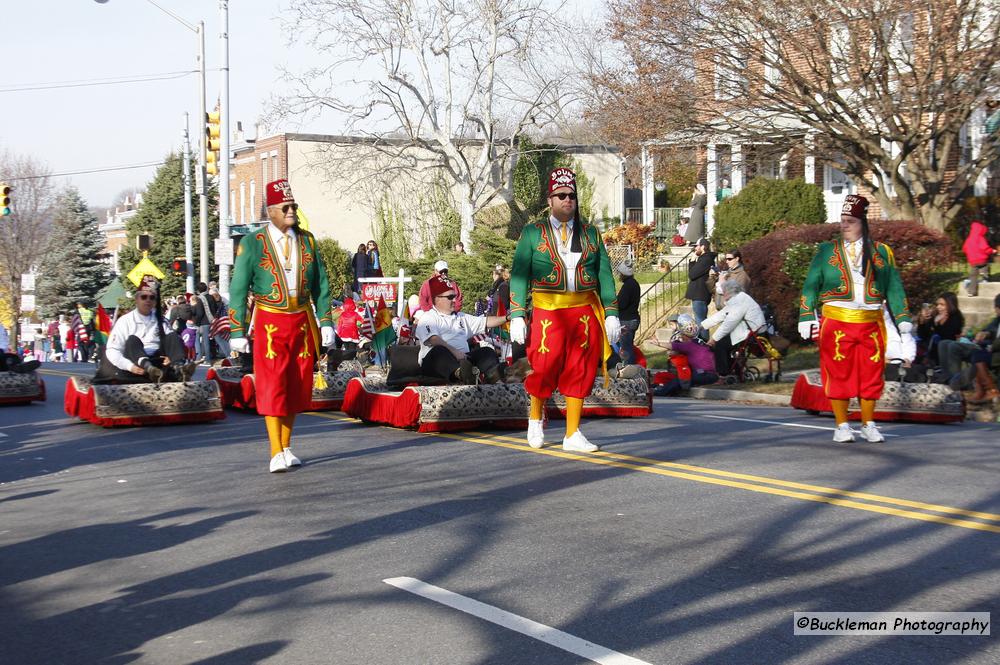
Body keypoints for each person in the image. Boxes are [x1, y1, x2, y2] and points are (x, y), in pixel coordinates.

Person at [510, 167, 621, 452]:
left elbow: (605, 274)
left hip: (584, 311)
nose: (567, 200)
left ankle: (572, 433)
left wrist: (611, 312)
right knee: (544, 367)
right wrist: (517, 315)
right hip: (549, 310)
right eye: (561, 195)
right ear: (550, 200)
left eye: (571, 195)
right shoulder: (533, 233)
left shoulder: (591, 234)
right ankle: (535, 418)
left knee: (580, 369)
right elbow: (519, 275)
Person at [229, 179, 335, 474]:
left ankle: (287, 447)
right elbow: (238, 288)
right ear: (272, 211)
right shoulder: (253, 243)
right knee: (273, 384)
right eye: (286, 208)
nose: (292, 212)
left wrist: (325, 320)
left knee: (296, 384)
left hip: (301, 320)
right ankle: (274, 450)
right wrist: (237, 330)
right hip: (269, 321)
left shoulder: (308, 241)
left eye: (294, 207)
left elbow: (321, 285)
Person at [799, 194, 912, 444]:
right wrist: (806, 315)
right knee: (838, 373)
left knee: (871, 373)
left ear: (863, 222)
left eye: (850, 221)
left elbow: (894, 286)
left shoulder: (882, 252)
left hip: (871, 321)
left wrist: (903, 317)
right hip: (836, 321)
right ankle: (841, 425)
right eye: (842, 220)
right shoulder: (826, 250)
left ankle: (868, 423)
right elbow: (810, 285)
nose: (844, 225)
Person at [95, 277, 193, 384]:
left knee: (173, 336)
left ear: (155, 301)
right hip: (135, 364)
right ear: (136, 299)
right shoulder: (125, 321)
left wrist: (171, 357)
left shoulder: (162, 321)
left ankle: (179, 368)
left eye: (152, 298)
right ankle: (149, 369)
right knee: (133, 340)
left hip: (158, 362)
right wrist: (130, 366)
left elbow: (172, 343)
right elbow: (112, 350)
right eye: (144, 297)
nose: (148, 300)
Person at [416, 276, 509, 384]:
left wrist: (506, 318)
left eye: (454, 296)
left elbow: (486, 322)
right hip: (436, 365)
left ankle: (493, 375)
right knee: (438, 350)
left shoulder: (461, 317)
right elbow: (433, 339)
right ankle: (461, 374)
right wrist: (455, 352)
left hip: (463, 359)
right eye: (450, 297)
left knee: (486, 351)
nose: (454, 300)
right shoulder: (428, 317)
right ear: (437, 299)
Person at [701, 280, 766, 376]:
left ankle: (723, 374)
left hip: (752, 334)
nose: (722, 295)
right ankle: (734, 370)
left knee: (719, 345)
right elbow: (721, 315)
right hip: (749, 331)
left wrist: (714, 339)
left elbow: (729, 323)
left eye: (723, 292)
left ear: (728, 292)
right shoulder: (737, 299)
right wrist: (702, 325)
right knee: (722, 343)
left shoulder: (739, 301)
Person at [656, 314, 717, 395]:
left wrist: (658, 343)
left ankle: (660, 392)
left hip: (705, 374)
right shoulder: (699, 343)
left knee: (682, 379)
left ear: (685, 336)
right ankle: (661, 388)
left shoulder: (689, 345)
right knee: (676, 377)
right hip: (707, 374)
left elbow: (674, 346)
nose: (681, 338)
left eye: (681, 336)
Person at [916, 292, 964, 368]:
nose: (938, 307)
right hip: (928, 347)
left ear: (950, 305)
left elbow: (947, 336)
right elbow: (922, 335)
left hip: (945, 350)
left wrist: (937, 324)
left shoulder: (956, 317)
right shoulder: (936, 315)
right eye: (937, 304)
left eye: (942, 305)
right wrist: (922, 322)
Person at [685, 237, 715, 327]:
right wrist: (693, 261)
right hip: (699, 294)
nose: (695, 248)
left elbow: (692, 275)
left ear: (703, 247)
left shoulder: (706, 259)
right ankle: (702, 340)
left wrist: (693, 261)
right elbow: (692, 274)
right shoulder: (703, 258)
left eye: (697, 246)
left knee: (701, 322)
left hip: (700, 295)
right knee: (700, 321)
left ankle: (703, 341)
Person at [615, 261, 641, 365]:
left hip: (627, 320)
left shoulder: (628, 286)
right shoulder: (634, 284)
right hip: (633, 318)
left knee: (625, 349)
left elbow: (622, 304)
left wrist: (616, 300)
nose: (619, 276)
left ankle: (629, 369)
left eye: (620, 274)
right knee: (628, 346)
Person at [962, 220, 995, 297]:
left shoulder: (968, 239)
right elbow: (985, 248)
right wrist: (992, 251)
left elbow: (964, 249)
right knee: (985, 265)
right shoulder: (980, 238)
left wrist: (970, 254)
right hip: (982, 260)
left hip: (973, 261)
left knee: (973, 276)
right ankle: (984, 276)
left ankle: (971, 292)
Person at [192, 282, 214, 364]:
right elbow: (214, 308)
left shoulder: (200, 298)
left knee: (202, 340)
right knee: (208, 340)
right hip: (211, 320)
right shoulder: (211, 297)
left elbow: (200, 312)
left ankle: (202, 358)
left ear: (198, 290)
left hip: (203, 322)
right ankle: (207, 357)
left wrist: (197, 322)